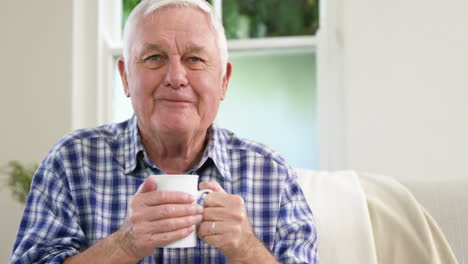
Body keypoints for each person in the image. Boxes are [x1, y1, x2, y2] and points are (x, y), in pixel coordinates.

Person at [10, 0, 318, 263]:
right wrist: (124, 244)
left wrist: (247, 250)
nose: (175, 77)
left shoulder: (272, 175)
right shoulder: (72, 162)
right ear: (126, 76)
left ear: (223, 79)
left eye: (194, 59)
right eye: (154, 58)